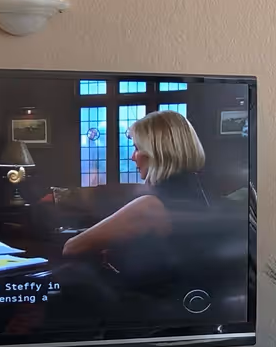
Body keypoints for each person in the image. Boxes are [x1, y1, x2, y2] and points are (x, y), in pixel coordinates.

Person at [62, 109, 208, 273]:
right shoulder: (203, 196)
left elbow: (71, 247)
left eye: (137, 148)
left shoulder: (150, 207)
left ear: (158, 153)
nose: (132, 157)